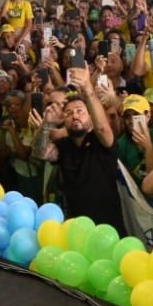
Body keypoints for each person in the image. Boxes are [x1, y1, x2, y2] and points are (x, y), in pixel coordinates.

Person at [34, 67, 126, 233]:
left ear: (90, 117)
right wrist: (46, 124)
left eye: (80, 111)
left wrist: (87, 88)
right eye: (68, 113)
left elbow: (102, 128)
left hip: (108, 231)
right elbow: (40, 152)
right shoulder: (64, 146)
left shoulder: (102, 142)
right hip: (77, 231)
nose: (75, 115)